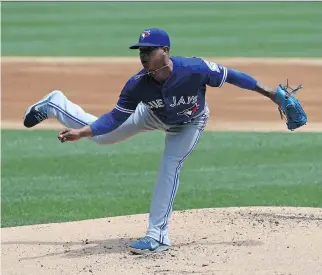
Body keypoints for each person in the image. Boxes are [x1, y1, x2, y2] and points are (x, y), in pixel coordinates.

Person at [23, 28, 298, 254]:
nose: (143, 56)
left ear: (165, 51)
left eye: (149, 50)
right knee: (102, 138)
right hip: (151, 115)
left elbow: (234, 77)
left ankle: (157, 236)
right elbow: (114, 118)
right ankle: (56, 105)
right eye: (141, 51)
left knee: (170, 166)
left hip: (190, 123)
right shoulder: (137, 84)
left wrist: (270, 92)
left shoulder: (194, 68)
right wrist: (84, 133)